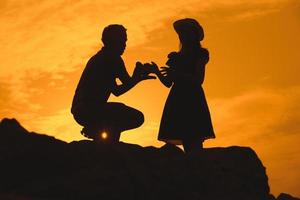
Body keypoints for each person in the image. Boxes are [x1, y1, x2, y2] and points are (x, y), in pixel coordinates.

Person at [71, 24, 156, 143]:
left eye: (125, 41)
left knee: (120, 112)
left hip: (80, 110)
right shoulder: (111, 59)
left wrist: (137, 77)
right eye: (122, 40)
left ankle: (98, 131)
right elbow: (119, 90)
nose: (124, 45)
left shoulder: (102, 57)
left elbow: (122, 85)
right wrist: (137, 77)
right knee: (136, 117)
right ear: (113, 41)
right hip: (89, 110)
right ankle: (102, 134)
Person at [152, 18, 215, 153]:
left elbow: (198, 79)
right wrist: (157, 72)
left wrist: (177, 74)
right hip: (177, 100)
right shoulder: (176, 57)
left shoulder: (200, 54)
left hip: (192, 100)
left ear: (194, 35)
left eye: (186, 32)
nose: (183, 36)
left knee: (194, 139)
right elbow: (168, 83)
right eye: (181, 33)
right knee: (186, 137)